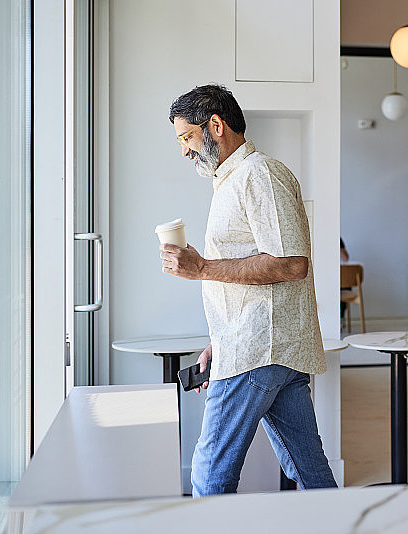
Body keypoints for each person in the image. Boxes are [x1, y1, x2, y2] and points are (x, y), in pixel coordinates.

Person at [160, 84, 337, 496]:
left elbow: (291, 263)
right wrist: (217, 342)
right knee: (309, 472)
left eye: (187, 137)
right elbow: (253, 274)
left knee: (209, 475)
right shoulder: (235, 180)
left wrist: (201, 266)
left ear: (215, 126)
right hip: (265, 350)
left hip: (256, 354)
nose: (184, 150)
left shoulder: (259, 175)